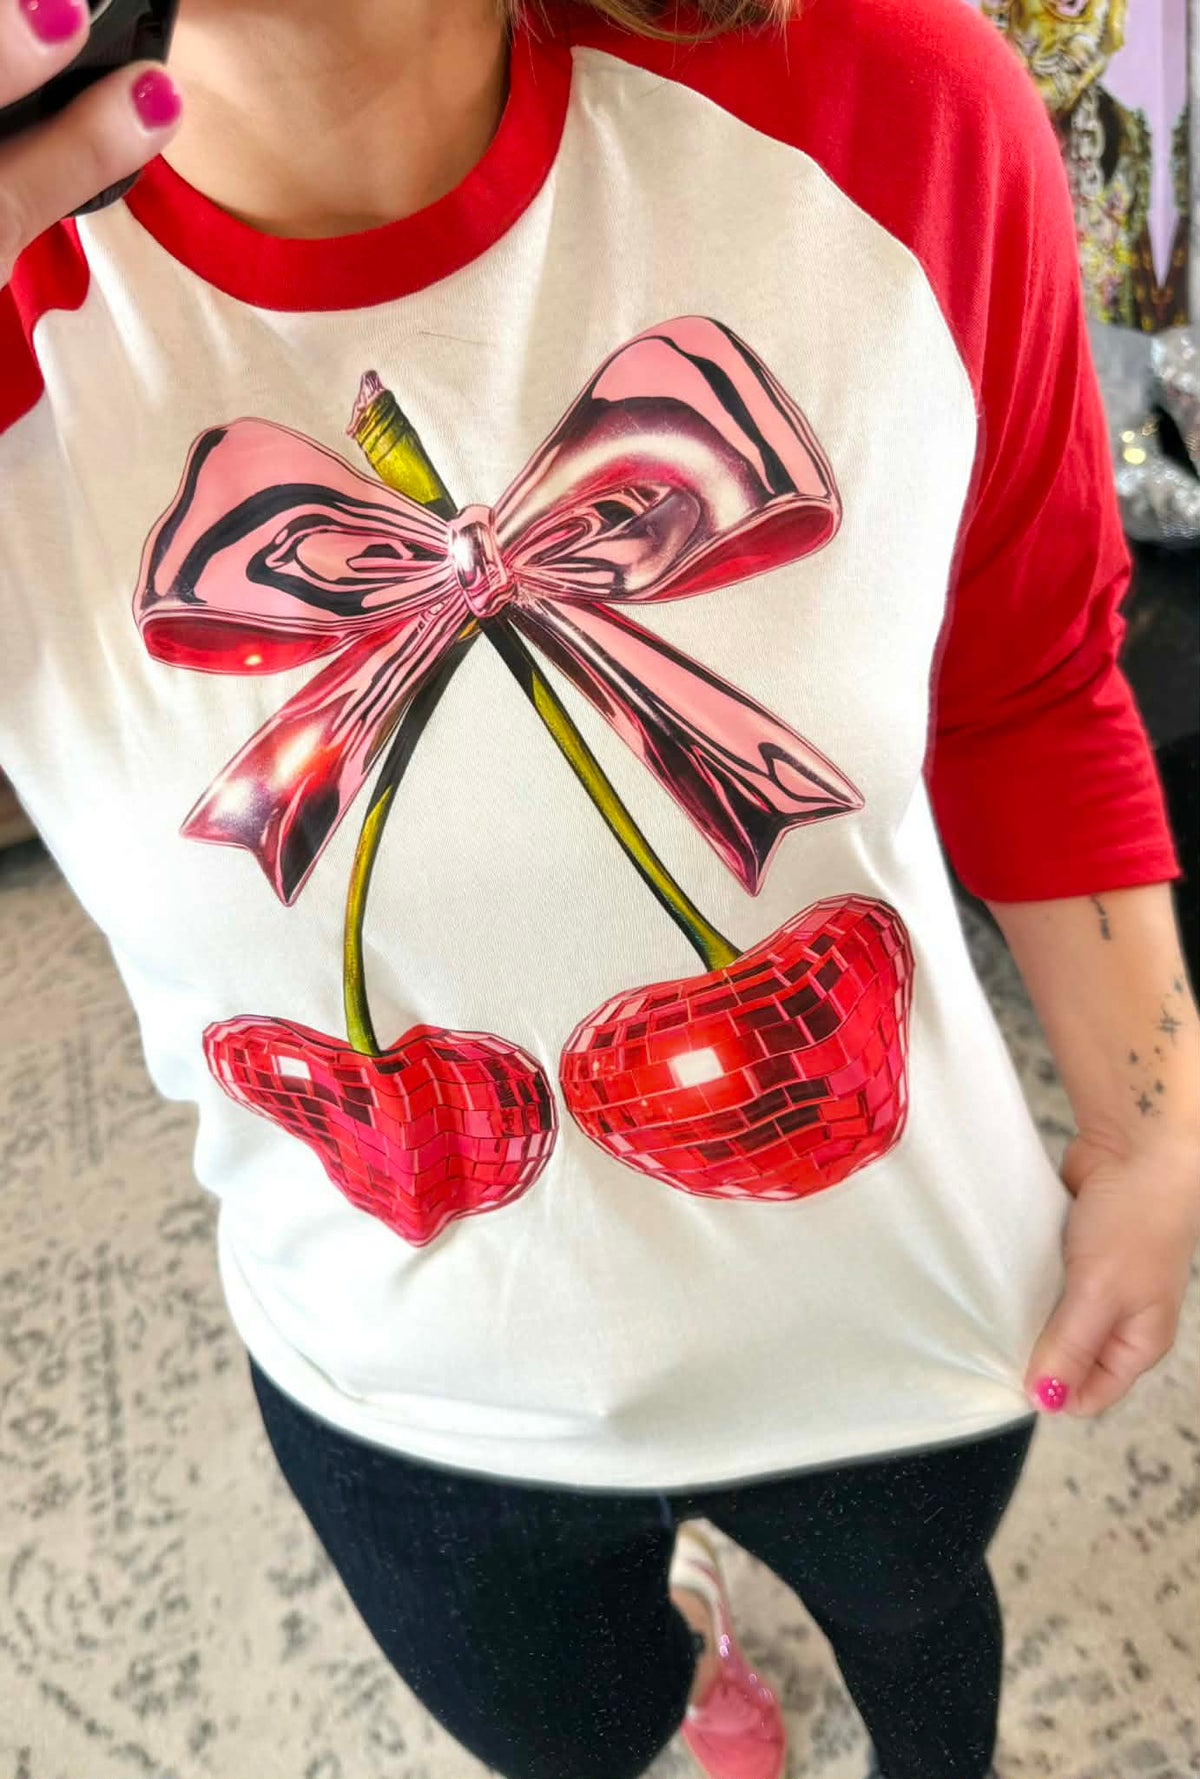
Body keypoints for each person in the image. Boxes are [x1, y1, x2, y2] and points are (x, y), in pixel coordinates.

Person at [1, 2, 1197, 1776]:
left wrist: (1155, 1124)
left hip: (897, 1314)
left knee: (928, 1645)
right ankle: (694, 1659)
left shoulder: (893, 111)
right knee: (582, 1735)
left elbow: (1026, 680)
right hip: (407, 1403)